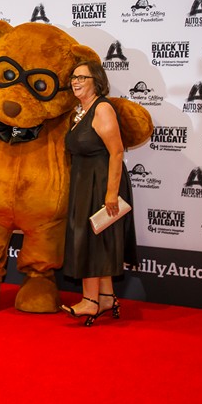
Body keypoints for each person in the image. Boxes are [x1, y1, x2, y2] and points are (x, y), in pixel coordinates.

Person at [60, 60, 136, 325]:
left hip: (102, 183)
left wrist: (111, 194)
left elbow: (116, 152)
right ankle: (105, 297)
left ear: (97, 81)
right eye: (73, 77)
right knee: (95, 241)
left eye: (82, 77)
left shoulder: (102, 108)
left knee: (89, 242)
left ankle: (89, 301)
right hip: (84, 183)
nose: (76, 81)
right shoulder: (80, 111)